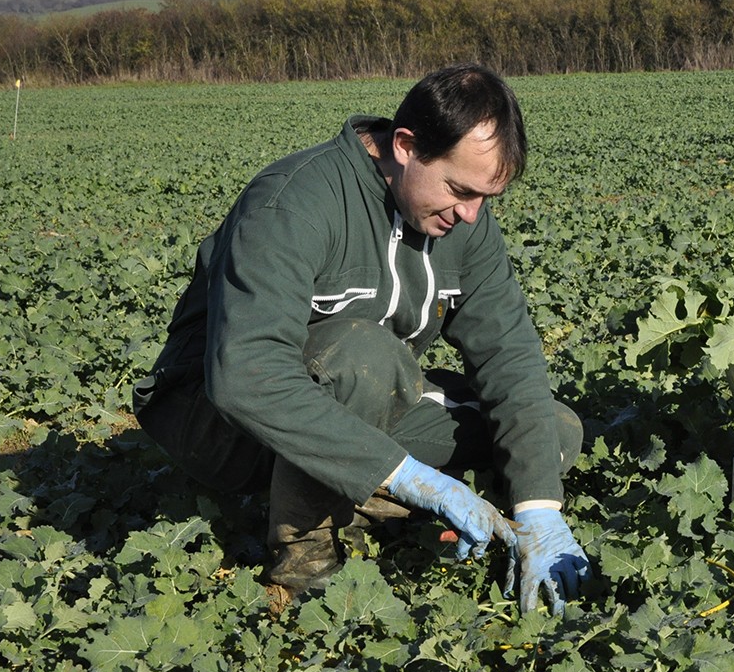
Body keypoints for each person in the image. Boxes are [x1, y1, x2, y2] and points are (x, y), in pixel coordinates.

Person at [132, 62, 590, 615]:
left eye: (485, 198)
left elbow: (510, 360)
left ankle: (372, 493)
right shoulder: (294, 203)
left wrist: (540, 510)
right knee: (363, 357)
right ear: (405, 145)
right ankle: (307, 565)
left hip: (356, 403)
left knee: (552, 434)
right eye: (459, 190)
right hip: (220, 426)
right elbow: (245, 374)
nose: (471, 215)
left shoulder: (462, 222)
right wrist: (411, 478)